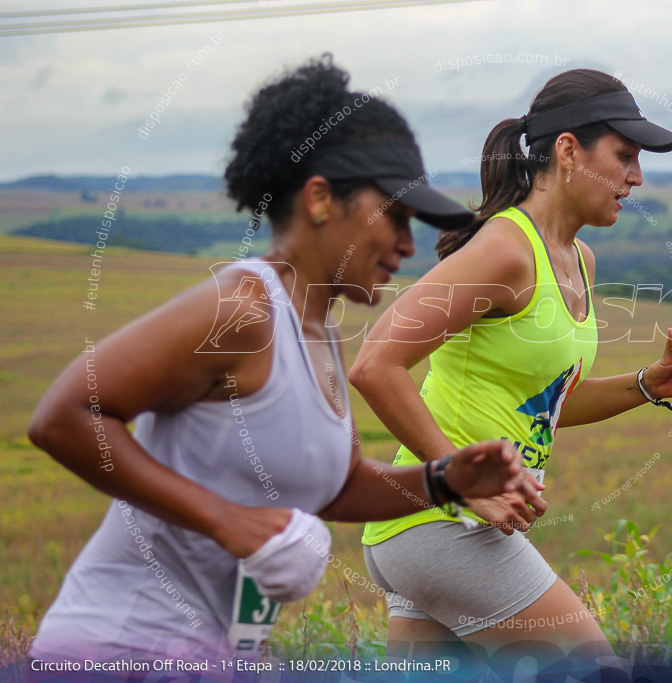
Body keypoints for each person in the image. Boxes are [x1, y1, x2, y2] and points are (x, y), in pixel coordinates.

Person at [25, 55, 541, 666]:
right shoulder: (245, 308)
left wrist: (442, 481)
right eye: (397, 217)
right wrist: (226, 522)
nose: (409, 244)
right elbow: (65, 416)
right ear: (321, 198)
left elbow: (335, 486)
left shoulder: (316, 332)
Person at [353, 68, 672, 670]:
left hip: (424, 534)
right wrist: (460, 482)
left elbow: (544, 404)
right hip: (445, 526)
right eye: (624, 155)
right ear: (569, 150)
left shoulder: (579, 260)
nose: (637, 176)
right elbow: (375, 364)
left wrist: (648, 386)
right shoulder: (505, 250)